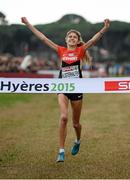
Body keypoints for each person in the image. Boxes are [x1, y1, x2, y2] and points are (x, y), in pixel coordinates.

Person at [21, 17, 110, 162]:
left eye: (75, 37)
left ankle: (78, 140)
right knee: (63, 117)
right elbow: (43, 38)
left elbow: (93, 41)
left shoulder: (81, 50)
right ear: (66, 39)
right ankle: (61, 151)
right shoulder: (61, 50)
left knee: (76, 123)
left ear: (77, 40)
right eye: (70, 37)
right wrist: (28, 24)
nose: (72, 38)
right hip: (62, 86)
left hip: (77, 88)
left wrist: (104, 28)